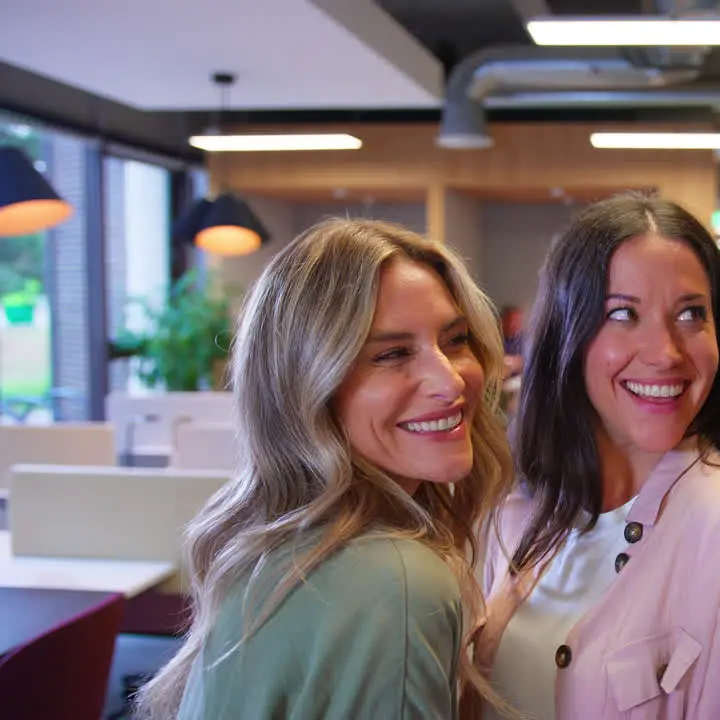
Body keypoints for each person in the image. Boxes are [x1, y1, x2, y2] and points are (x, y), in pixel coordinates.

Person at [135, 219, 512, 719]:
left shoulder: (281, 544)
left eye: (456, 340)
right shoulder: (396, 579)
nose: (450, 381)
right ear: (308, 386)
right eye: (393, 353)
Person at [476, 194, 720, 719]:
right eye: (623, 314)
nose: (665, 352)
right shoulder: (517, 505)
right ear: (570, 332)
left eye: (691, 314)